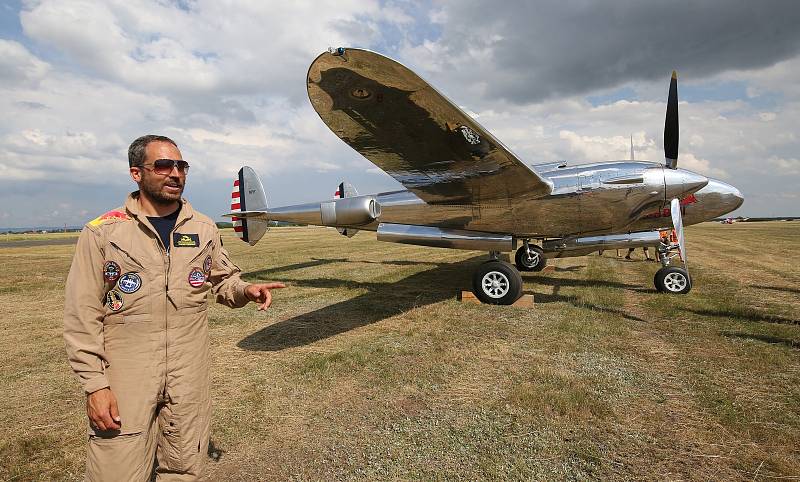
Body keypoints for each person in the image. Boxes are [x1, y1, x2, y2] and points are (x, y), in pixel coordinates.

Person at [63, 135, 285, 480]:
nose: (175, 174)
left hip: (189, 369)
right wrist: (95, 385)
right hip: (127, 371)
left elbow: (223, 280)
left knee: (185, 464)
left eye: (181, 166)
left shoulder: (203, 227)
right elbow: (81, 314)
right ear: (137, 173)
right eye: (164, 166)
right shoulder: (103, 233)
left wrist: (246, 290)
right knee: (116, 467)